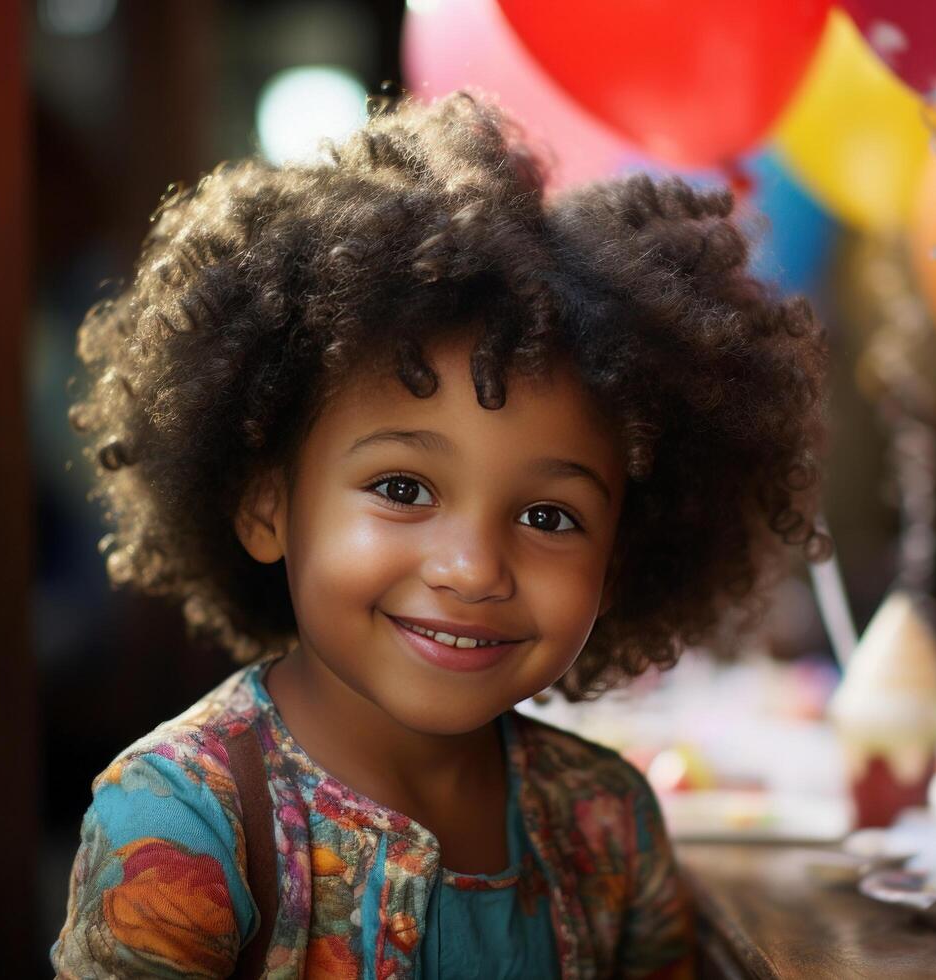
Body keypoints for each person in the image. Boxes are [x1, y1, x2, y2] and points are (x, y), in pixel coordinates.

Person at [51, 92, 827, 979]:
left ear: (619, 558)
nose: (472, 568)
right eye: (402, 488)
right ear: (266, 503)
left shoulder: (610, 825)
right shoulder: (183, 825)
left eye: (548, 517)